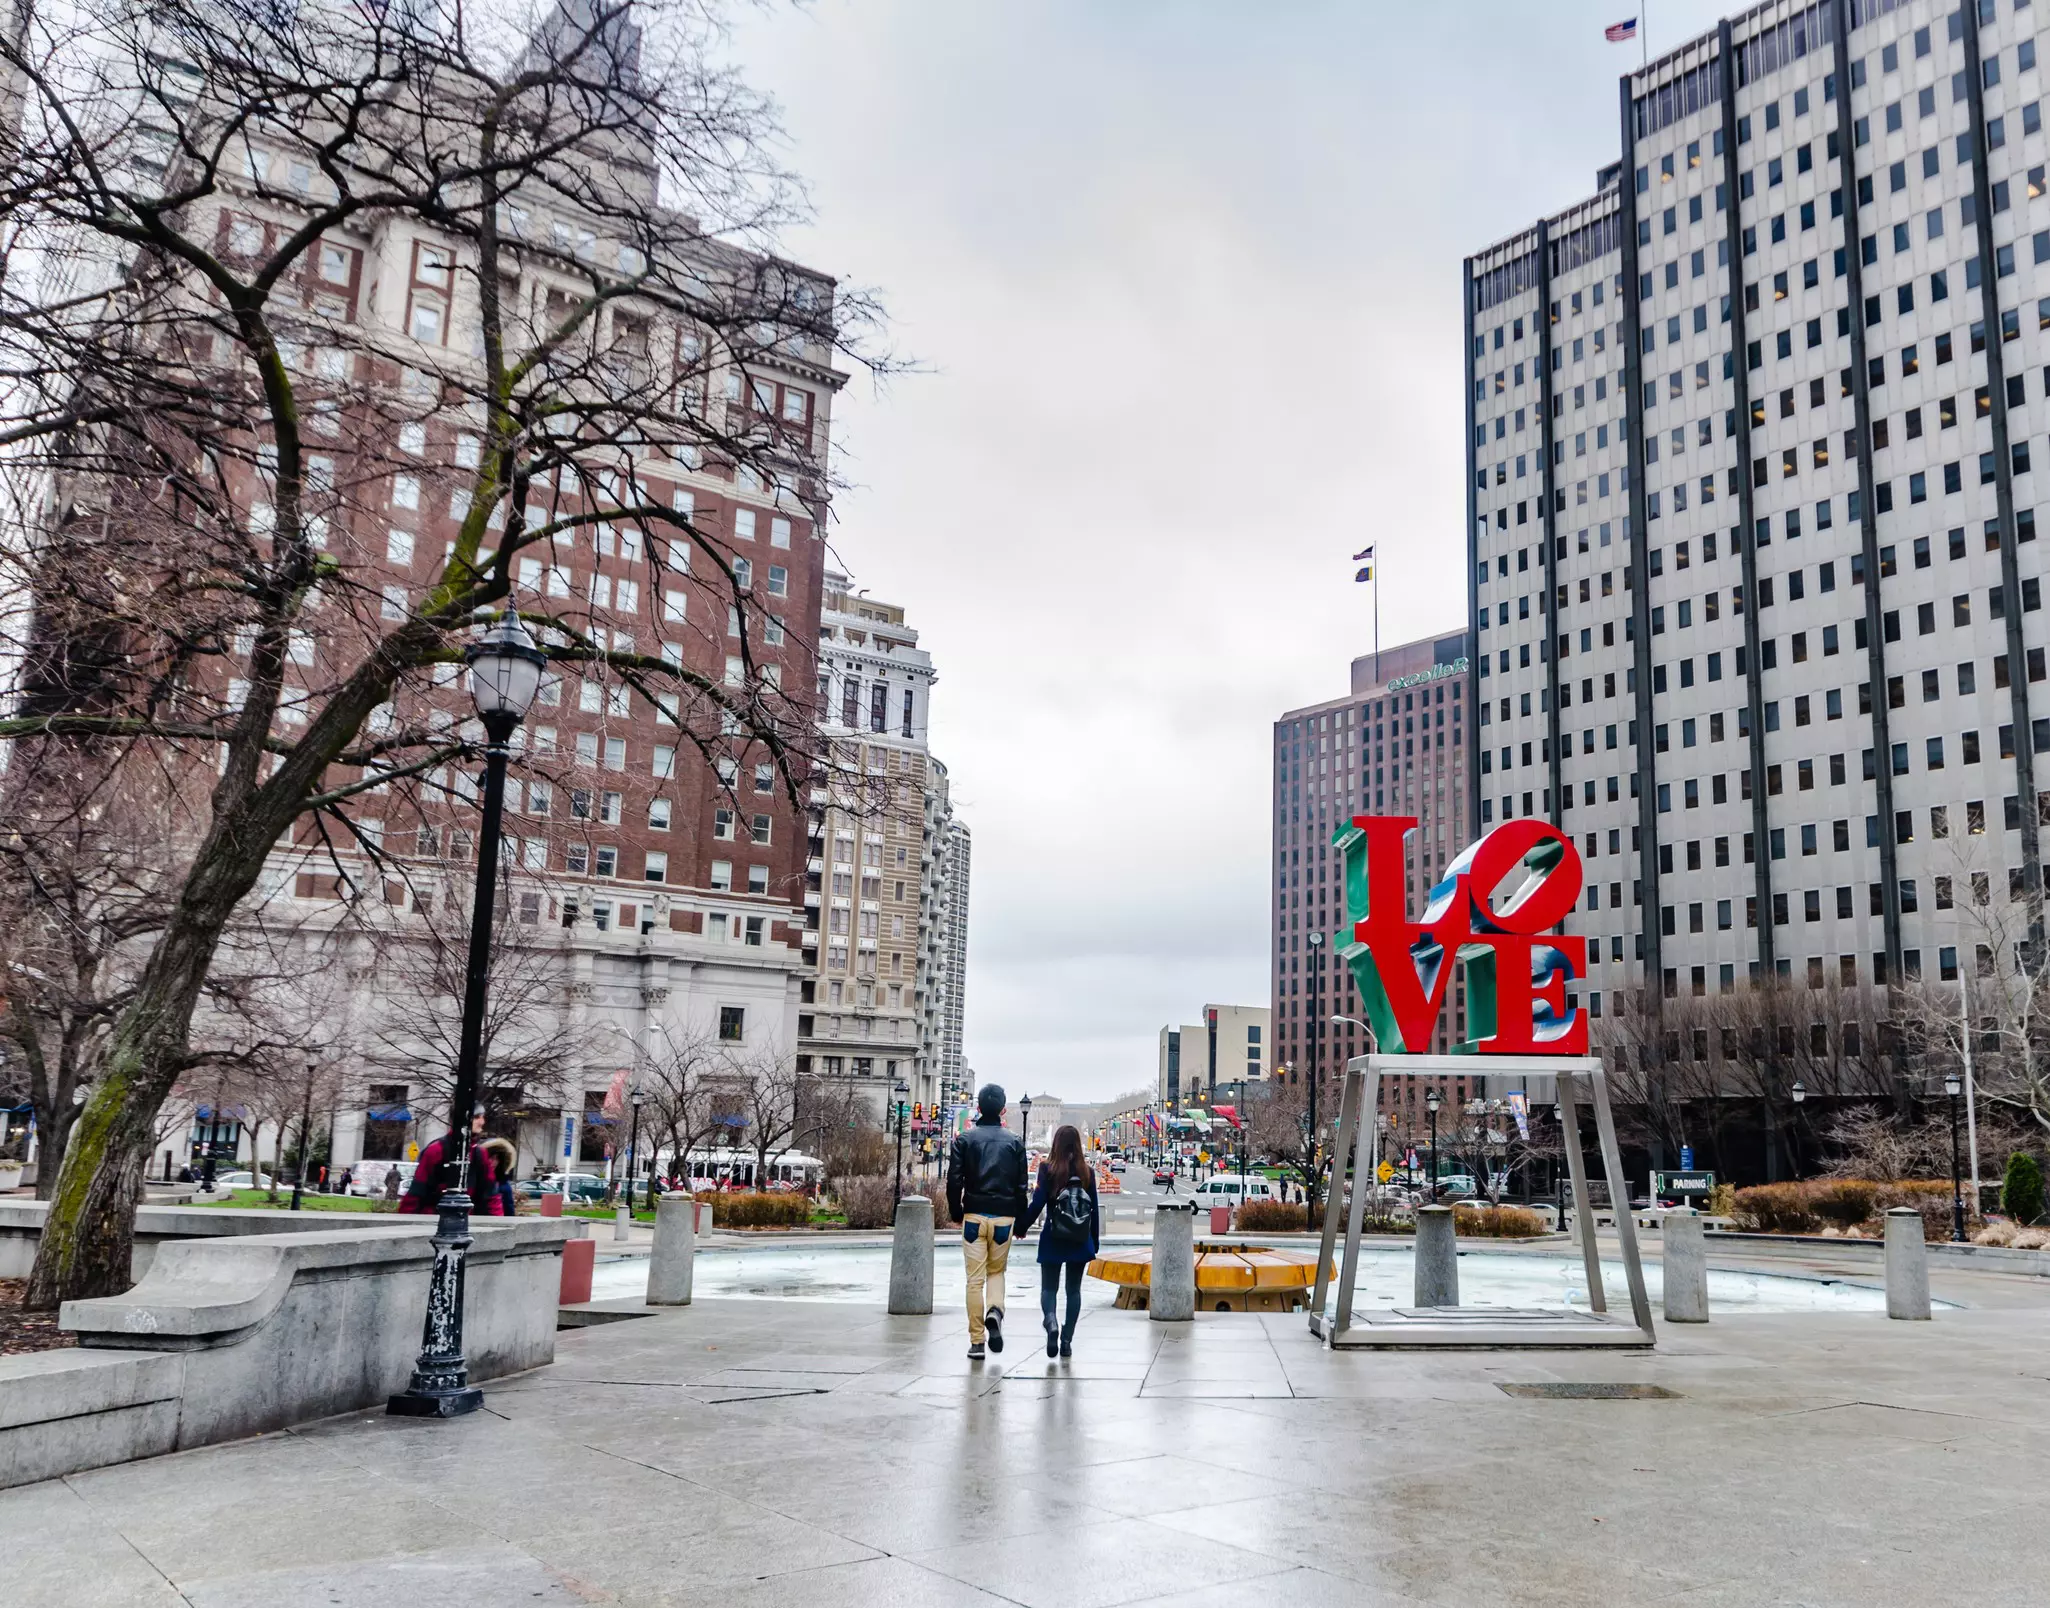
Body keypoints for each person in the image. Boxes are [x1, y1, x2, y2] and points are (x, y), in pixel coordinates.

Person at [945, 1082, 1028, 1361]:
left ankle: (977, 1342)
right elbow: (1021, 1187)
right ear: (1003, 1109)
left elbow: (954, 1181)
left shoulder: (964, 1140)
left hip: (974, 1216)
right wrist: (1023, 1222)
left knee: (973, 1281)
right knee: (996, 1273)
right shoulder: (1015, 1142)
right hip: (1004, 1217)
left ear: (978, 1108)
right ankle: (995, 1311)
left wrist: (956, 1211)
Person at [1022, 1124, 1100, 1359]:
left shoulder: (1048, 1169)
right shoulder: (1088, 1172)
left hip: (1054, 1235)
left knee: (1048, 1288)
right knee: (1073, 1291)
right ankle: (1066, 1340)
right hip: (1079, 1238)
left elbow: (1037, 1204)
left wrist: (1021, 1227)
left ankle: (1051, 1321)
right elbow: (1094, 1210)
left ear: (1055, 1144)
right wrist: (1093, 1242)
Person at [398, 1108, 504, 1216]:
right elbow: (416, 1191)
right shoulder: (436, 1150)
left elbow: (491, 1195)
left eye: (482, 1117)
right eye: (476, 1117)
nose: (482, 1122)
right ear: (462, 1119)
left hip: (466, 1222)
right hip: (434, 1220)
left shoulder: (480, 1153)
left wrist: (498, 1224)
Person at [482, 1137, 519, 1218]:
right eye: (491, 1157)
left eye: (497, 1158)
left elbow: (509, 1215)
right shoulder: (474, 1181)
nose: (494, 1162)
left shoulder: (504, 1186)